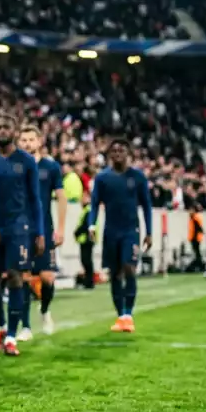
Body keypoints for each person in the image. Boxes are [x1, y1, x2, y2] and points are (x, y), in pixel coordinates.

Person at [0, 115, 43, 357]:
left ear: (15, 130)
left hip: (19, 228)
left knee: (16, 278)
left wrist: (39, 232)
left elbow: (35, 199)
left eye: (7, 126)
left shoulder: (27, 161)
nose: (2, 130)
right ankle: (1, 326)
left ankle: (11, 335)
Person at [87, 140, 153, 333]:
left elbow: (146, 205)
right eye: (113, 150)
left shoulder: (138, 177)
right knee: (114, 273)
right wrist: (92, 224)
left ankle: (128, 314)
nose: (117, 153)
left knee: (129, 268)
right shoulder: (102, 178)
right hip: (110, 231)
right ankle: (120, 315)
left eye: (121, 150)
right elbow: (94, 203)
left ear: (128, 153)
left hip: (130, 231)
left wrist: (149, 232)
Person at [18, 125, 64, 338]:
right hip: (20, 229)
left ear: (39, 142)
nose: (27, 143)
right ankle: (25, 326)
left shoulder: (51, 167)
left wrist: (61, 228)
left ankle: (45, 311)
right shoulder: (15, 165)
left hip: (45, 228)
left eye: (31, 140)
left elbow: (61, 197)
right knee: (24, 278)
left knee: (47, 278)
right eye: (24, 140)